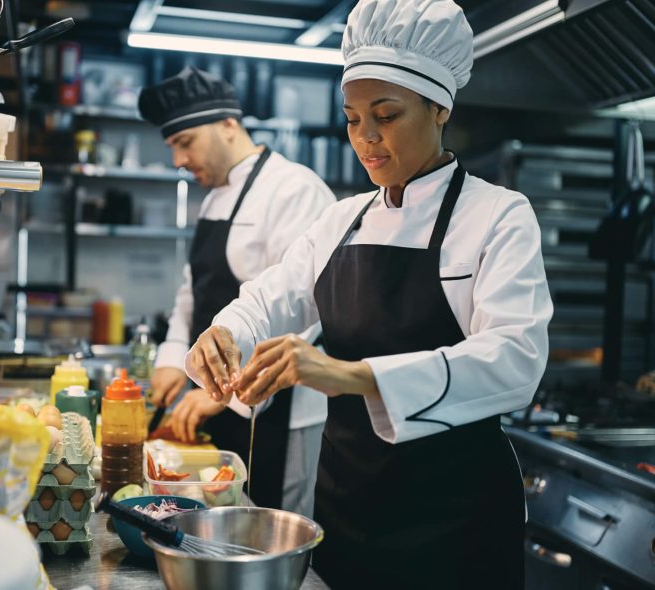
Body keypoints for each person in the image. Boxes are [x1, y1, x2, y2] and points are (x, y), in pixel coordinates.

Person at [185, 1, 553, 587]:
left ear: (439, 108)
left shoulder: (498, 215)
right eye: (353, 118)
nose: (366, 137)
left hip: (455, 517)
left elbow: (515, 360)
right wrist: (225, 333)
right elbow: (269, 297)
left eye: (386, 115)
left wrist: (353, 376)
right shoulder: (341, 220)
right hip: (348, 505)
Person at [138, 66, 336, 514]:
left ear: (228, 124)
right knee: (222, 517)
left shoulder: (294, 190)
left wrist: (223, 392)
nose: (178, 160)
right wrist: (173, 359)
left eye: (185, 142)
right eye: (172, 147)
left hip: (281, 408)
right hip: (217, 400)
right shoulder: (214, 198)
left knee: (269, 522)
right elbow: (192, 293)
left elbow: (305, 314)